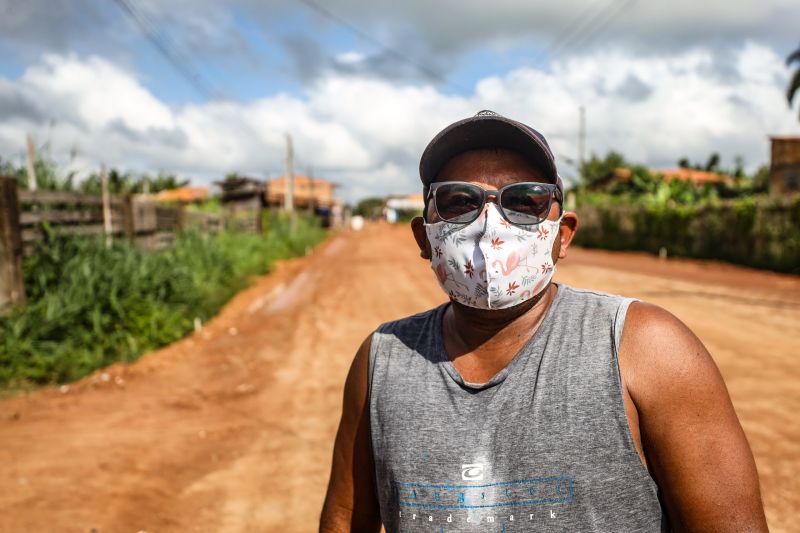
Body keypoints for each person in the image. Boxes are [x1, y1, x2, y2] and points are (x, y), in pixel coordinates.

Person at [320, 111, 768, 532]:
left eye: (524, 201)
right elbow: (345, 518)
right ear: (424, 237)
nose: (491, 224)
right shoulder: (382, 361)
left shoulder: (649, 349)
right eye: (460, 201)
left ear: (562, 235)